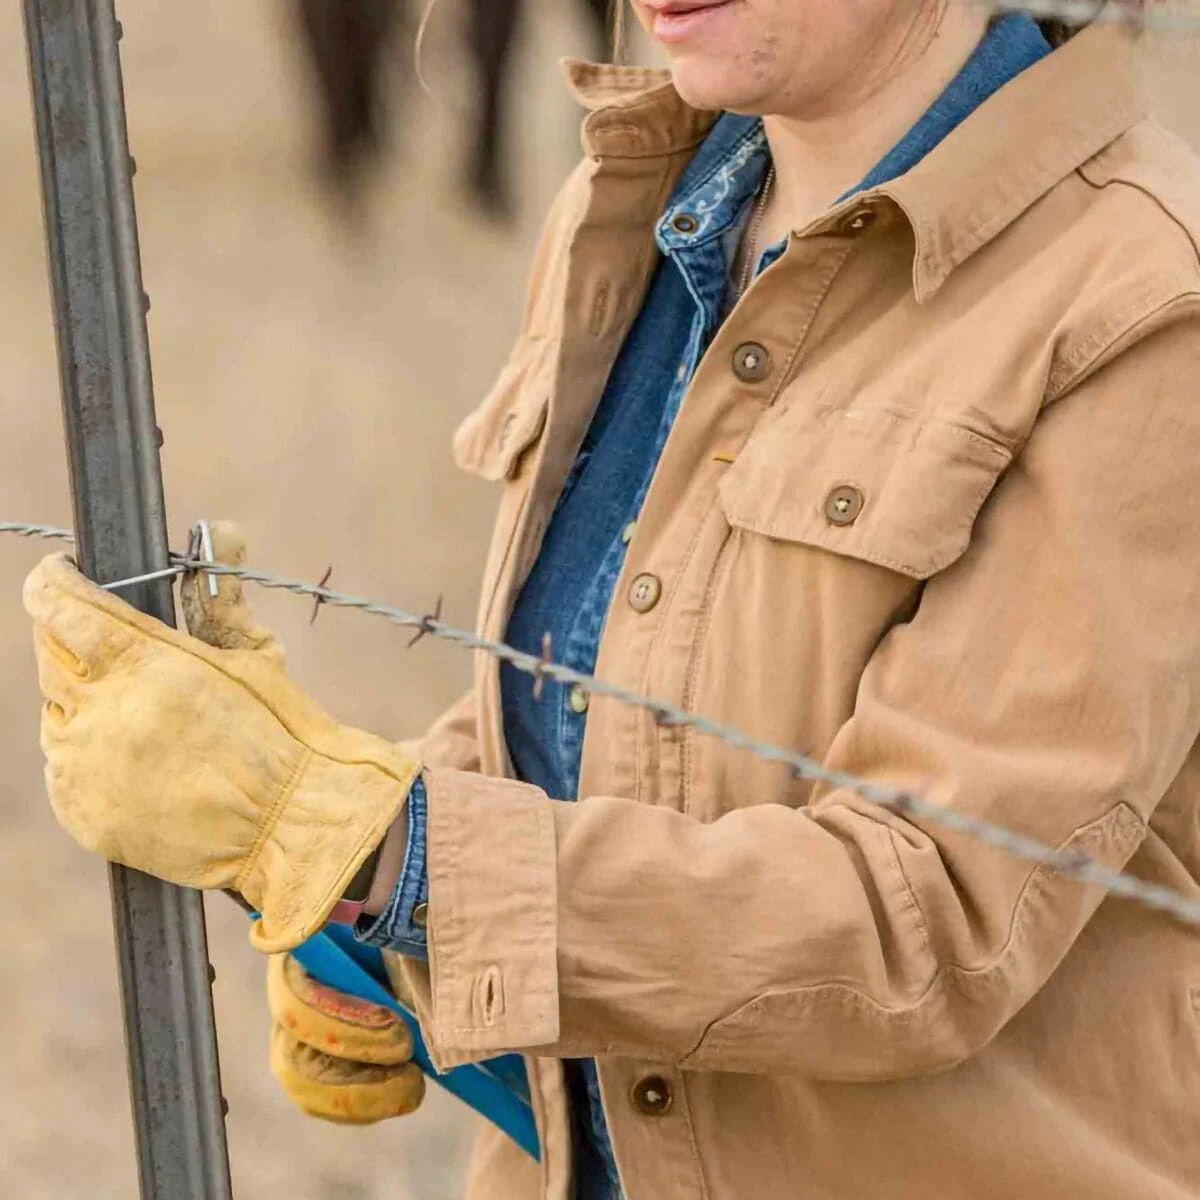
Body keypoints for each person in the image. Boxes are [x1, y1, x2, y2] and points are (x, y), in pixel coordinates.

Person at [24, 2, 1200, 1198]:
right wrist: (359, 867)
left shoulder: (1145, 304)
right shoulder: (645, 202)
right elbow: (605, 702)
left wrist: (389, 851)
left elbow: (927, 920)